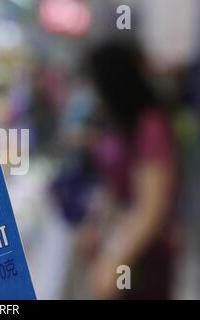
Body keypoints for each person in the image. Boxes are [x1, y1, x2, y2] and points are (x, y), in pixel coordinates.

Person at [80, 41, 179, 299]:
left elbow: (151, 208)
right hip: (125, 240)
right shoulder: (121, 122)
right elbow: (115, 185)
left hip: (145, 252)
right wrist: (98, 225)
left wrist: (115, 259)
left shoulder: (150, 126)